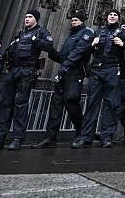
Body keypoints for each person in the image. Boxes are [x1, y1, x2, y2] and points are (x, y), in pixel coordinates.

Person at [0, 10, 57, 151]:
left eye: (30, 17)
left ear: (36, 19)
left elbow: (49, 46)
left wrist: (35, 40)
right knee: (5, 104)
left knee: (20, 104)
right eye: (26, 16)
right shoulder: (21, 34)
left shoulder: (41, 32)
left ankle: (17, 139)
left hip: (27, 70)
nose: (26, 19)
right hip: (13, 70)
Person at [72, 9, 125, 148]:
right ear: (106, 17)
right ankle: (86, 137)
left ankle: (107, 137)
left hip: (113, 69)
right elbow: (85, 50)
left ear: (119, 18)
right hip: (97, 69)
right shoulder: (98, 32)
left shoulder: (123, 33)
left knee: (111, 104)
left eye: (115, 15)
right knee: (91, 104)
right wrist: (92, 44)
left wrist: (123, 44)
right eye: (110, 14)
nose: (112, 16)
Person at [31, 12, 92, 149]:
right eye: (72, 19)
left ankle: (82, 132)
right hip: (64, 71)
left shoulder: (86, 33)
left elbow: (79, 52)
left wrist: (66, 65)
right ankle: (50, 137)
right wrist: (50, 50)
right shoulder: (71, 36)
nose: (73, 21)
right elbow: (61, 57)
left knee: (71, 99)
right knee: (56, 102)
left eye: (76, 19)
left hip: (75, 71)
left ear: (82, 21)